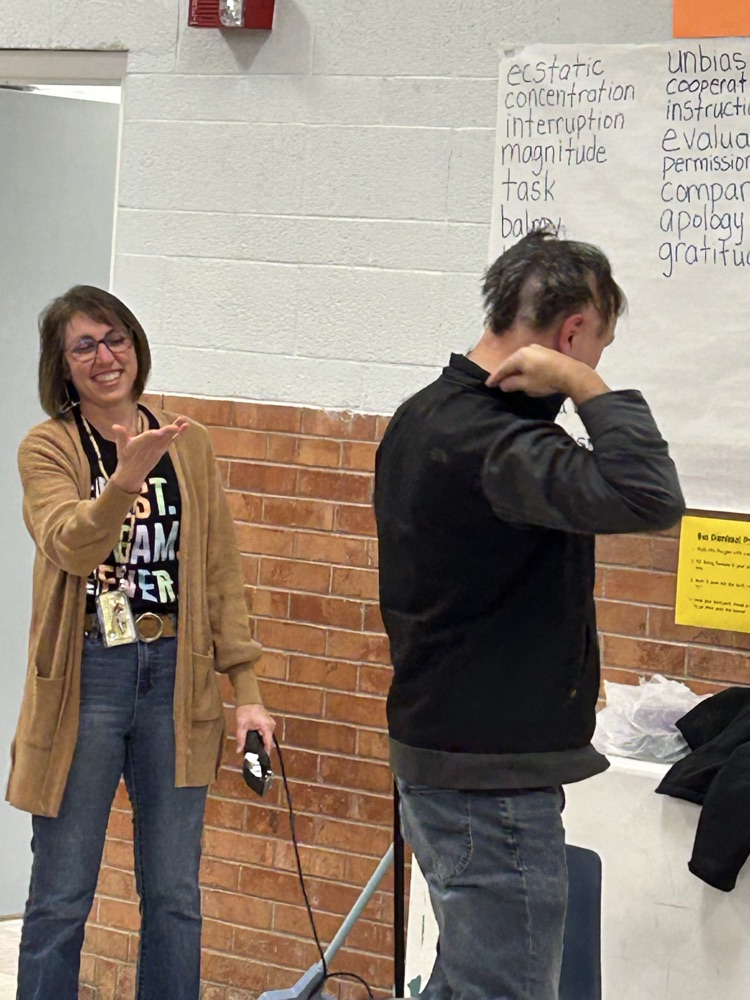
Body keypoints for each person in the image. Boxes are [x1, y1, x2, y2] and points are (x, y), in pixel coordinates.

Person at [374, 228, 685, 1000]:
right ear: (571, 333)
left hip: (453, 758)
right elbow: (651, 498)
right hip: (488, 779)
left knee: (469, 982)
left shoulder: (425, 415)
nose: (593, 365)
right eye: (595, 348)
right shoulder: (494, 442)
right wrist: (587, 389)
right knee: (505, 989)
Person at [8, 286, 275, 1000]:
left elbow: (220, 575)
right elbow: (68, 543)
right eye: (84, 346)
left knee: (176, 896)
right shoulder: (48, 447)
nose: (105, 357)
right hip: (88, 680)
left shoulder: (189, 444)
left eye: (116, 338)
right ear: (62, 368)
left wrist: (246, 695)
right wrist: (123, 480)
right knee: (62, 896)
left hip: (175, 678)